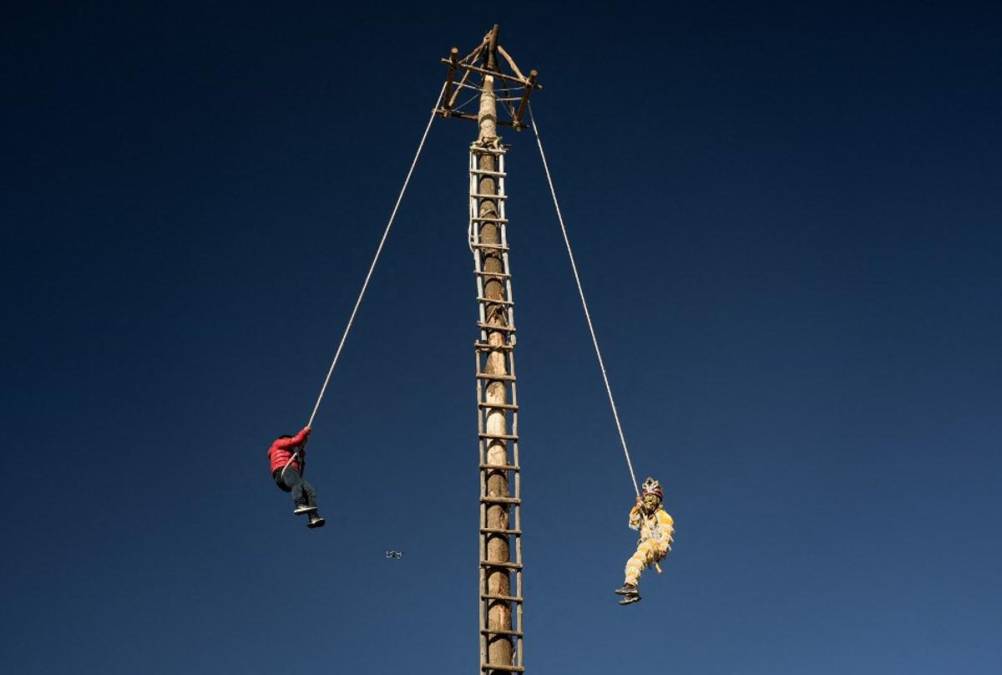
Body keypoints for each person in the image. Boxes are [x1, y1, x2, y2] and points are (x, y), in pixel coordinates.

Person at [615, 476, 674, 605]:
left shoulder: (663, 516)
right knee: (633, 561)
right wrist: (637, 507)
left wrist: (663, 546)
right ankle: (631, 588)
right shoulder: (645, 515)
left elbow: (666, 530)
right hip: (646, 544)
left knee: (642, 551)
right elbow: (633, 522)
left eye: (651, 499)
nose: (648, 502)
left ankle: (631, 587)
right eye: (647, 499)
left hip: (655, 543)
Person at [268, 426, 325, 529]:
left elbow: (301, 469)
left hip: (291, 474)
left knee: (309, 490)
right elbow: (295, 441)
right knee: (297, 483)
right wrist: (305, 432)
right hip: (282, 470)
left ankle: (313, 517)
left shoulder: (292, 454)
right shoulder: (278, 443)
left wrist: (301, 454)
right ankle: (299, 504)